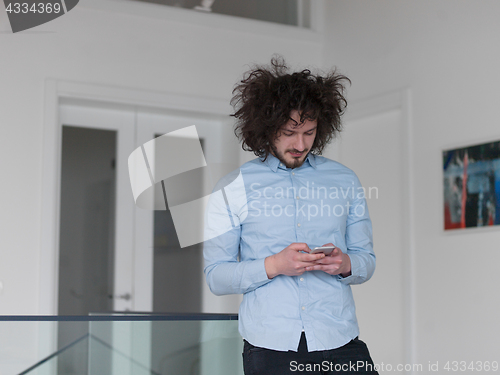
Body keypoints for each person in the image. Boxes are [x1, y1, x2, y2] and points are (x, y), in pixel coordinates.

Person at [203, 57, 378, 375]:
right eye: (289, 132)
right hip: (270, 347)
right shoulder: (231, 188)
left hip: (340, 339)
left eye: (309, 132)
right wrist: (274, 266)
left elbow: (366, 261)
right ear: (266, 128)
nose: (300, 144)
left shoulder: (345, 180)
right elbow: (216, 276)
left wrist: (345, 264)